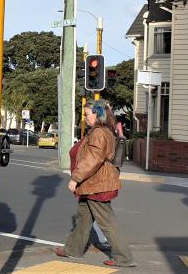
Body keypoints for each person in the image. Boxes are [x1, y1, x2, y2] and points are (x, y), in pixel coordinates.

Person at [54, 99, 136, 267]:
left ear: (98, 114)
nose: (85, 118)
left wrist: (75, 178)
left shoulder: (99, 133)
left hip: (96, 184)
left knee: (106, 221)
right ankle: (73, 250)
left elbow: (93, 159)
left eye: (87, 114)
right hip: (93, 183)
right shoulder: (100, 131)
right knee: (83, 218)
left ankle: (124, 258)